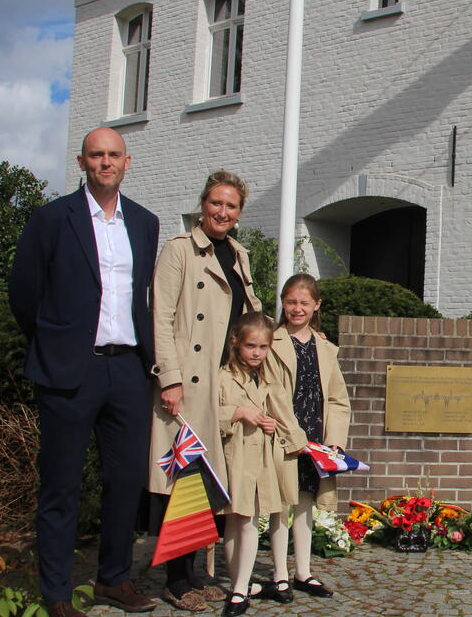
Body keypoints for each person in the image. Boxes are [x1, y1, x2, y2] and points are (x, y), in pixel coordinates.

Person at [8, 127, 159, 617]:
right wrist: (56, 342)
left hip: (127, 371)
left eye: (114, 155)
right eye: (96, 155)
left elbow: (142, 298)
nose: (105, 162)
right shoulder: (52, 219)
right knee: (61, 486)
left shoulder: (144, 222)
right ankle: (55, 592)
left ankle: (113, 580)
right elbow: (24, 293)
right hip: (69, 372)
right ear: (82, 161)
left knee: (124, 482)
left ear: (128, 161)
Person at [146, 170, 261, 611]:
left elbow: (251, 320)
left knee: (211, 481)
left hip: (223, 385)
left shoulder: (239, 255)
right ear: (203, 205)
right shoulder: (179, 251)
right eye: (216, 203)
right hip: (188, 383)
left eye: (231, 206)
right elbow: (161, 316)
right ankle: (176, 579)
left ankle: (193, 571)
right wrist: (169, 377)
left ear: (239, 213)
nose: (223, 212)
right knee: (186, 480)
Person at [264, 274, 352, 600]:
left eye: (303, 303)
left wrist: (335, 440)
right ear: (283, 304)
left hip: (315, 440)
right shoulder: (271, 342)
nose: (296, 308)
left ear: (316, 306)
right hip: (284, 437)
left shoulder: (326, 348)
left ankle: (303, 571)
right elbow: (271, 393)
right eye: (290, 302)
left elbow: (338, 399)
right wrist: (294, 435)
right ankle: (279, 574)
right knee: (279, 505)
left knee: (304, 504)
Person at [216, 312, 303, 617]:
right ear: (236, 343)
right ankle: (240, 584)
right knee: (235, 518)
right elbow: (211, 413)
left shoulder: (268, 377)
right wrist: (237, 412)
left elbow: (283, 415)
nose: (256, 353)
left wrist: (277, 429)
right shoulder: (223, 377)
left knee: (251, 517)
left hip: (264, 458)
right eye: (251, 346)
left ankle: (241, 588)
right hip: (235, 457)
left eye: (263, 347)